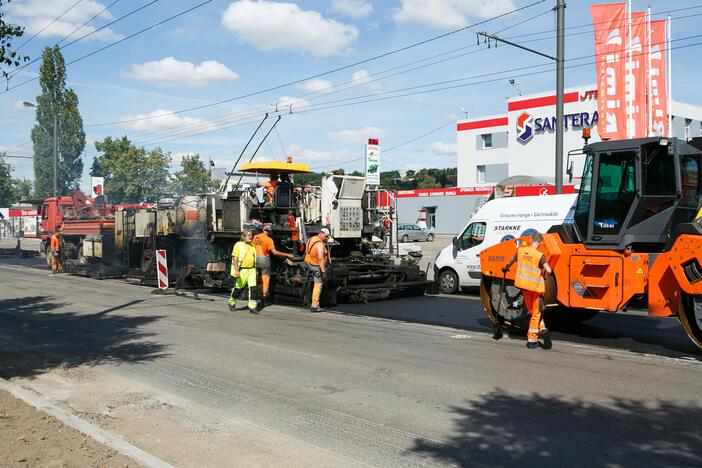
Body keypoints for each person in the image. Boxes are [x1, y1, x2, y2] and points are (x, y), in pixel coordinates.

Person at [501, 232, 553, 349]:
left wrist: (505, 268)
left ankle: (543, 328)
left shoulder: (520, 251)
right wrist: (545, 276)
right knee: (536, 313)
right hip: (536, 289)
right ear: (540, 243)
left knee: (532, 311)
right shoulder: (539, 255)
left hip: (525, 287)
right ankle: (532, 340)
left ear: (531, 240)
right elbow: (549, 269)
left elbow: (510, 262)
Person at [253, 224, 294, 308]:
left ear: (263, 230)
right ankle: (263, 299)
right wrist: (287, 255)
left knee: (256, 278)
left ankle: (253, 297)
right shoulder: (269, 240)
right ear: (269, 231)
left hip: (255, 259)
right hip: (264, 260)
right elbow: (274, 253)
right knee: (265, 279)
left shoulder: (256, 237)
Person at [228, 229, 258, 314]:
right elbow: (235, 258)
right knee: (238, 288)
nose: (250, 237)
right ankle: (232, 302)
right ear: (244, 237)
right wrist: (237, 271)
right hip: (242, 270)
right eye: (248, 235)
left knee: (253, 288)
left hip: (252, 270)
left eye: (251, 235)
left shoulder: (252, 246)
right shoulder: (238, 245)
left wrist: (255, 269)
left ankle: (252, 307)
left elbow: (254, 258)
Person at [304, 228, 330, 313]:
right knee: (318, 284)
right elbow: (321, 259)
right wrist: (323, 272)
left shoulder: (311, 239)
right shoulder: (319, 244)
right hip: (315, 265)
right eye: (326, 237)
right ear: (321, 233)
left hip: (309, 262)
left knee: (316, 283)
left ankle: (314, 303)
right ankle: (315, 305)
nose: (327, 239)